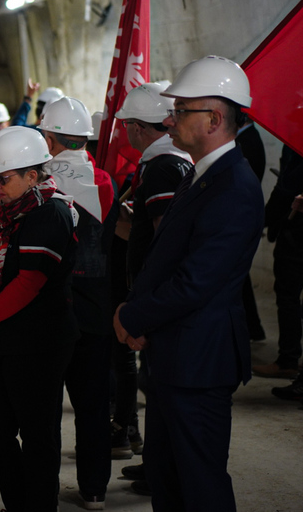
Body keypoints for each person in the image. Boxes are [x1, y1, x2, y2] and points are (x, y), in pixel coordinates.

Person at [113, 56, 264, 512]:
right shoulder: (202, 173)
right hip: (175, 350)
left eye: (181, 111)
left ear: (215, 119)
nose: (170, 119)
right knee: (168, 474)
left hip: (200, 359)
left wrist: (133, 314)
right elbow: (166, 255)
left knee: (199, 482)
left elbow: (196, 281)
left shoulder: (233, 185)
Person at [0, 125, 78, 512]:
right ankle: (20, 504)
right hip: (5, 335)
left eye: (4, 177)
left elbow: (29, 281)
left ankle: (38, 506)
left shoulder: (51, 213)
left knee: (38, 432)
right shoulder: (9, 214)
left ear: (33, 176)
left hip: (39, 340)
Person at [111, 81, 192, 482]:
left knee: (159, 385)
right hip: (163, 296)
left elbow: (165, 238)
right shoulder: (174, 160)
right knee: (154, 385)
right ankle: (158, 464)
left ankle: (163, 470)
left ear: (139, 128)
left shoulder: (160, 167)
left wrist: (146, 305)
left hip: (158, 297)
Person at [39, 97, 117, 510]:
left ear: (49, 138)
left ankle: (44, 490)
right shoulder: (106, 181)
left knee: (45, 408)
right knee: (92, 406)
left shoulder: (37, 180)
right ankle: (94, 488)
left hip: (49, 311)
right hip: (96, 311)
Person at [256, 145, 303, 379]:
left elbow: (286, 187)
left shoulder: (296, 142)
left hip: (296, 232)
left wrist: (262, 221)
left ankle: (288, 360)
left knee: (288, 297)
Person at [235, 119, 267, 341]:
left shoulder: (248, 141)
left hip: (241, 217)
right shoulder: (247, 138)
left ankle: (252, 327)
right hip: (243, 217)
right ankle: (253, 327)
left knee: (238, 275)